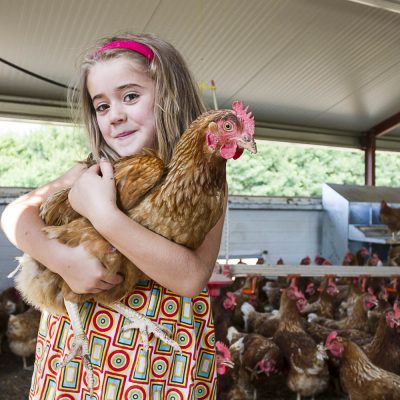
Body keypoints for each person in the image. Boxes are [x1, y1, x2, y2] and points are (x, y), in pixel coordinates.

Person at [1, 33, 226, 399]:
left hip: (162, 358)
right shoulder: (93, 173)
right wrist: (62, 257)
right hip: (82, 353)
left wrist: (103, 214)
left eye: (131, 96)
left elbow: (191, 278)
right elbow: (14, 214)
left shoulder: (205, 183)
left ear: (170, 95)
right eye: (101, 106)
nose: (115, 114)